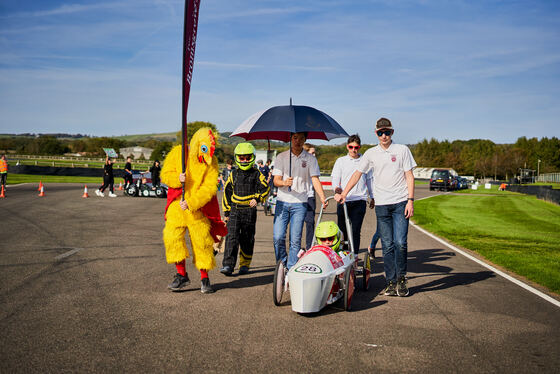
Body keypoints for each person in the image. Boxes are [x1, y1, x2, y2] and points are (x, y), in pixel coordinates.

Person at [335, 118, 416, 297]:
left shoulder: (402, 150)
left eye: (387, 132)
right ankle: (390, 281)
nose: (384, 135)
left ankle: (401, 279)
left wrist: (410, 200)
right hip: (382, 205)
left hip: (401, 202)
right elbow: (358, 174)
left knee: (400, 243)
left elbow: (409, 176)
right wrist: (344, 193)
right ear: (376, 133)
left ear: (392, 132)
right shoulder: (371, 154)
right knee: (387, 245)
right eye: (380, 132)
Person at [161, 128, 227, 293]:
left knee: (202, 242)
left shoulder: (212, 162)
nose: (206, 156)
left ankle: (205, 278)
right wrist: (178, 178)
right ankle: (181, 275)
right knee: (172, 239)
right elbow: (165, 174)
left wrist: (192, 202)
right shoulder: (178, 153)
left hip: (197, 209)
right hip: (177, 207)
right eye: (204, 149)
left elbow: (209, 187)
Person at [272, 132, 328, 270]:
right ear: (290, 139)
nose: (297, 141)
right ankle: (282, 264)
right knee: (278, 237)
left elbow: (315, 179)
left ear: (305, 140)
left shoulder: (310, 159)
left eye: (301, 138)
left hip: (300, 203)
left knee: (295, 240)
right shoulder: (281, 157)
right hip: (282, 201)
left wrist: (322, 196)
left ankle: (290, 269)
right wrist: (284, 182)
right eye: (295, 138)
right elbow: (275, 180)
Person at [220, 143, 270, 276]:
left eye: (247, 158)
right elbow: (227, 192)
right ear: (237, 158)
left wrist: (258, 198)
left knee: (247, 238)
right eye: (241, 158)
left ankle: (245, 264)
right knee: (231, 237)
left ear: (252, 157)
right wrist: (226, 212)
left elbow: (266, 188)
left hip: (249, 210)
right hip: (235, 210)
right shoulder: (233, 174)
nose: (245, 161)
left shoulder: (256, 173)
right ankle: (228, 265)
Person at [331, 135, 374, 256]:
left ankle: (354, 256)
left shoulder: (365, 162)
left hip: (359, 199)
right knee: (342, 230)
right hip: (344, 200)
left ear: (359, 147)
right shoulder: (341, 161)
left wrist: (372, 197)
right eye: (351, 147)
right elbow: (335, 178)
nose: (353, 150)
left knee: (355, 230)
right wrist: (336, 189)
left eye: (356, 147)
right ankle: (342, 255)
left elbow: (370, 180)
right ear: (347, 147)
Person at [302, 143, 317, 250]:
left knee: (310, 222)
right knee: (297, 225)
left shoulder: (314, 163)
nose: (314, 155)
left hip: (310, 197)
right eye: (312, 153)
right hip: (299, 197)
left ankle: (309, 246)